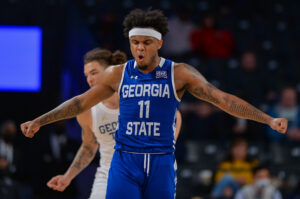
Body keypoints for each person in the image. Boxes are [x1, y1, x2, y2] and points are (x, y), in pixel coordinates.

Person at [21, 8, 287, 199]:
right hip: (125, 162)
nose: (139, 48)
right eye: (135, 42)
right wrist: (39, 121)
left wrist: (268, 119)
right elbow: (79, 103)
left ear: (159, 42)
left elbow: (223, 99)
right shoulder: (117, 74)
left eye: (146, 43)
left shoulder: (179, 72)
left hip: (160, 162)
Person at [45, 47, 182, 198]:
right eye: (86, 75)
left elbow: (175, 115)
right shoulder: (87, 111)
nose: (89, 79)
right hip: (108, 175)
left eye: (94, 73)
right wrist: (67, 177)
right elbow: (89, 146)